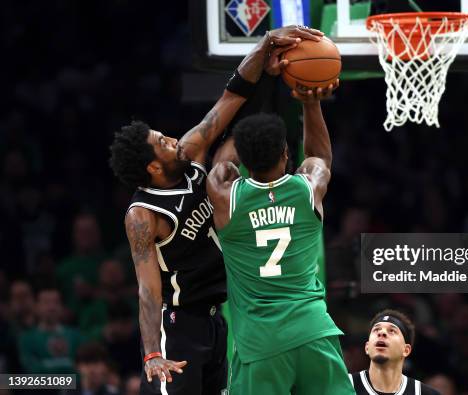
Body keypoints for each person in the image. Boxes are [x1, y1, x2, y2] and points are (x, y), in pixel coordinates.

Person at [108, 26, 324, 395]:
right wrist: (150, 354)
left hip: (218, 318)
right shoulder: (142, 215)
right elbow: (148, 290)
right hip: (179, 325)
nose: (173, 139)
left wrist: (265, 46)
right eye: (162, 142)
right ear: (152, 168)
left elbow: (231, 98)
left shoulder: (187, 156)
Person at [207, 84, 353, 394]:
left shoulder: (226, 197)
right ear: (286, 153)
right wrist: (310, 102)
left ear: (244, 159)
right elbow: (320, 156)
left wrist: (253, 86)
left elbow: (221, 164)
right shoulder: (307, 188)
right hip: (313, 330)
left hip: (262, 344)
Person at [350, 309, 441, 395]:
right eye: (376, 329)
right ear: (367, 347)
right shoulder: (344, 384)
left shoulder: (425, 393)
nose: (381, 333)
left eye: (392, 331)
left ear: (406, 350)